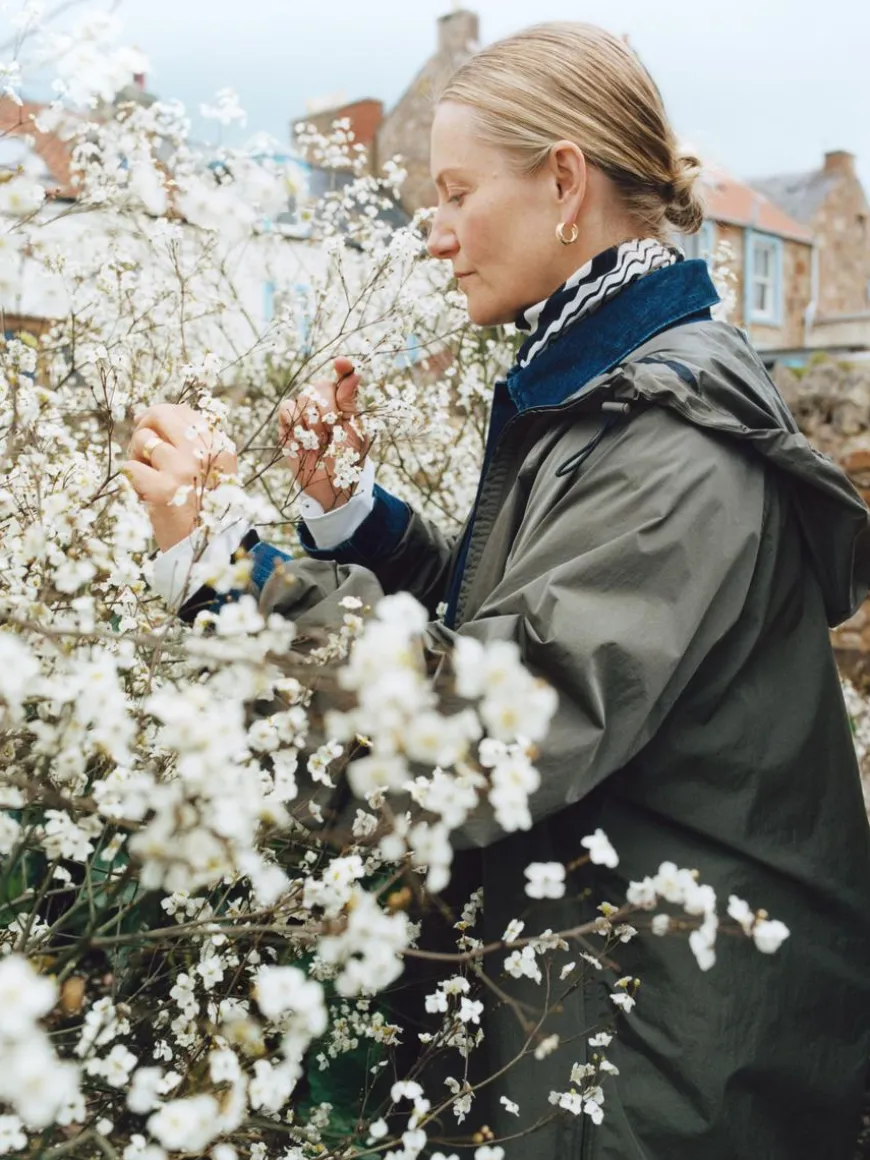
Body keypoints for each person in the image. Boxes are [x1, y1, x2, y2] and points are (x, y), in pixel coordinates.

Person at [125, 22, 870, 1160]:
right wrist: (351, 514)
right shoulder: (610, 392)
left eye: (458, 192)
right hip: (612, 1012)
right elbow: (516, 634)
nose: (434, 236)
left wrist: (233, 568)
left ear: (564, 182)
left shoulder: (674, 449)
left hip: (666, 1068)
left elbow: (489, 730)